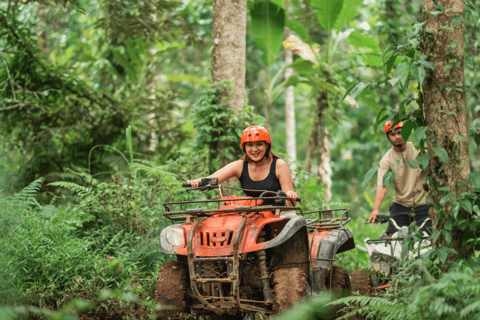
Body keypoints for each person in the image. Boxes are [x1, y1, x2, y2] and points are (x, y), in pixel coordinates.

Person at [188, 125, 298, 207]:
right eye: (250, 145)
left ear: (267, 146)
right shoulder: (240, 166)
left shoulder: (279, 165)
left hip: (279, 215)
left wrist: (290, 197)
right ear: (244, 148)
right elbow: (213, 179)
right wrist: (197, 182)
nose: (254, 149)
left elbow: (291, 206)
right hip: (253, 215)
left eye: (259, 144)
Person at [367, 121, 432, 235]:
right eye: (393, 135)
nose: (397, 137)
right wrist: (375, 209)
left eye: (399, 133)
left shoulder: (419, 150)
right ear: (388, 137)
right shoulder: (387, 160)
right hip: (401, 203)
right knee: (392, 238)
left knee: (429, 237)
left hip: (422, 202)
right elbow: (382, 185)